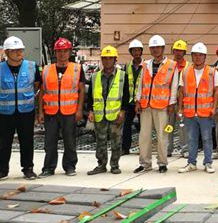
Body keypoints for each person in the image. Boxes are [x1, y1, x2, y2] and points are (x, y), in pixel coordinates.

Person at [38, 38, 86, 177]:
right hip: (51, 112)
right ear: (55, 52)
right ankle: (48, 168)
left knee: (70, 141)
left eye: (65, 51)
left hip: (69, 112)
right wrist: (40, 112)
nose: (62, 54)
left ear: (69, 52)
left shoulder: (77, 69)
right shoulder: (47, 70)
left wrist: (79, 110)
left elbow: (81, 90)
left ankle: (70, 166)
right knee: (50, 142)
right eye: (59, 51)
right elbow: (42, 91)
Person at [134, 35, 179, 174]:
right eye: (153, 48)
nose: (155, 50)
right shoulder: (145, 65)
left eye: (158, 47)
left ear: (163, 48)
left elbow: (174, 86)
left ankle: (162, 163)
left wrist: (172, 103)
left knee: (162, 136)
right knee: (144, 136)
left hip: (163, 106)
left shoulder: (172, 65)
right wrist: (138, 100)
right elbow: (141, 84)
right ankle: (145, 163)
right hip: (146, 106)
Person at [0, 36, 40, 180]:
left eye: (20, 50)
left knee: (27, 141)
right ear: (7, 52)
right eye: (15, 50)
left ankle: (28, 168)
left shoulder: (31, 66)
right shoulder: (0, 69)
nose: (19, 53)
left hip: (26, 111)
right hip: (5, 113)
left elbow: (37, 86)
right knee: (4, 142)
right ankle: (2, 170)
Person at [87, 46, 130, 175]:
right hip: (99, 114)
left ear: (115, 60)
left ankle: (115, 165)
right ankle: (101, 165)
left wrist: (123, 111)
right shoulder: (95, 77)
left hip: (116, 114)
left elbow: (126, 95)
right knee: (100, 141)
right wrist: (90, 111)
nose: (107, 61)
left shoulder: (123, 76)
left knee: (116, 141)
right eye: (104, 58)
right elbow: (90, 96)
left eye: (110, 58)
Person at [178, 43, 218, 174]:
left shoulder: (212, 72)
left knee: (207, 139)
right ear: (192, 56)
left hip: (205, 113)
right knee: (191, 139)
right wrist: (180, 108)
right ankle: (191, 163)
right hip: (189, 112)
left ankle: (208, 163)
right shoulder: (185, 72)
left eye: (200, 55)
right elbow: (181, 91)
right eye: (195, 55)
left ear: (205, 57)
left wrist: (214, 108)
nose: (198, 57)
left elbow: (217, 91)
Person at [168, 40, 190, 158]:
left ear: (184, 52)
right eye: (176, 50)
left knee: (182, 126)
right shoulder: (168, 66)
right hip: (169, 101)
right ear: (173, 51)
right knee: (168, 125)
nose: (178, 53)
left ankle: (185, 149)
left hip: (183, 101)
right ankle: (167, 148)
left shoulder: (188, 66)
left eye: (181, 51)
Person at [123, 39, 144, 155]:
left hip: (142, 101)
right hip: (130, 101)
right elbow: (125, 84)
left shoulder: (146, 66)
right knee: (126, 125)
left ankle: (143, 148)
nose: (136, 53)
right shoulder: (127, 66)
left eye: (138, 50)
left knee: (143, 127)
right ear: (131, 52)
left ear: (141, 51)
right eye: (134, 50)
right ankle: (125, 148)